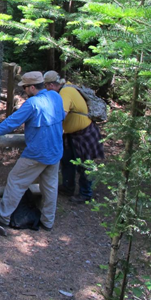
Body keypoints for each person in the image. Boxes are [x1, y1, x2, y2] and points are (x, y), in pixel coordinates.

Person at [0, 71, 65, 231]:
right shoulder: (56, 97)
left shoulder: (32, 104)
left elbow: (12, 122)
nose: (24, 90)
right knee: (50, 186)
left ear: (32, 87)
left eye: (25, 87)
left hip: (37, 153)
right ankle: (48, 221)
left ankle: (2, 216)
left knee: (16, 180)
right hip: (56, 150)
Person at [43, 71, 105, 203]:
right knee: (67, 161)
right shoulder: (66, 88)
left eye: (46, 86)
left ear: (51, 85)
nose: (46, 89)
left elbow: (61, 114)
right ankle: (67, 187)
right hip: (71, 134)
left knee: (84, 164)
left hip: (83, 134)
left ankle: (85, 193)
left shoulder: (65, 93)